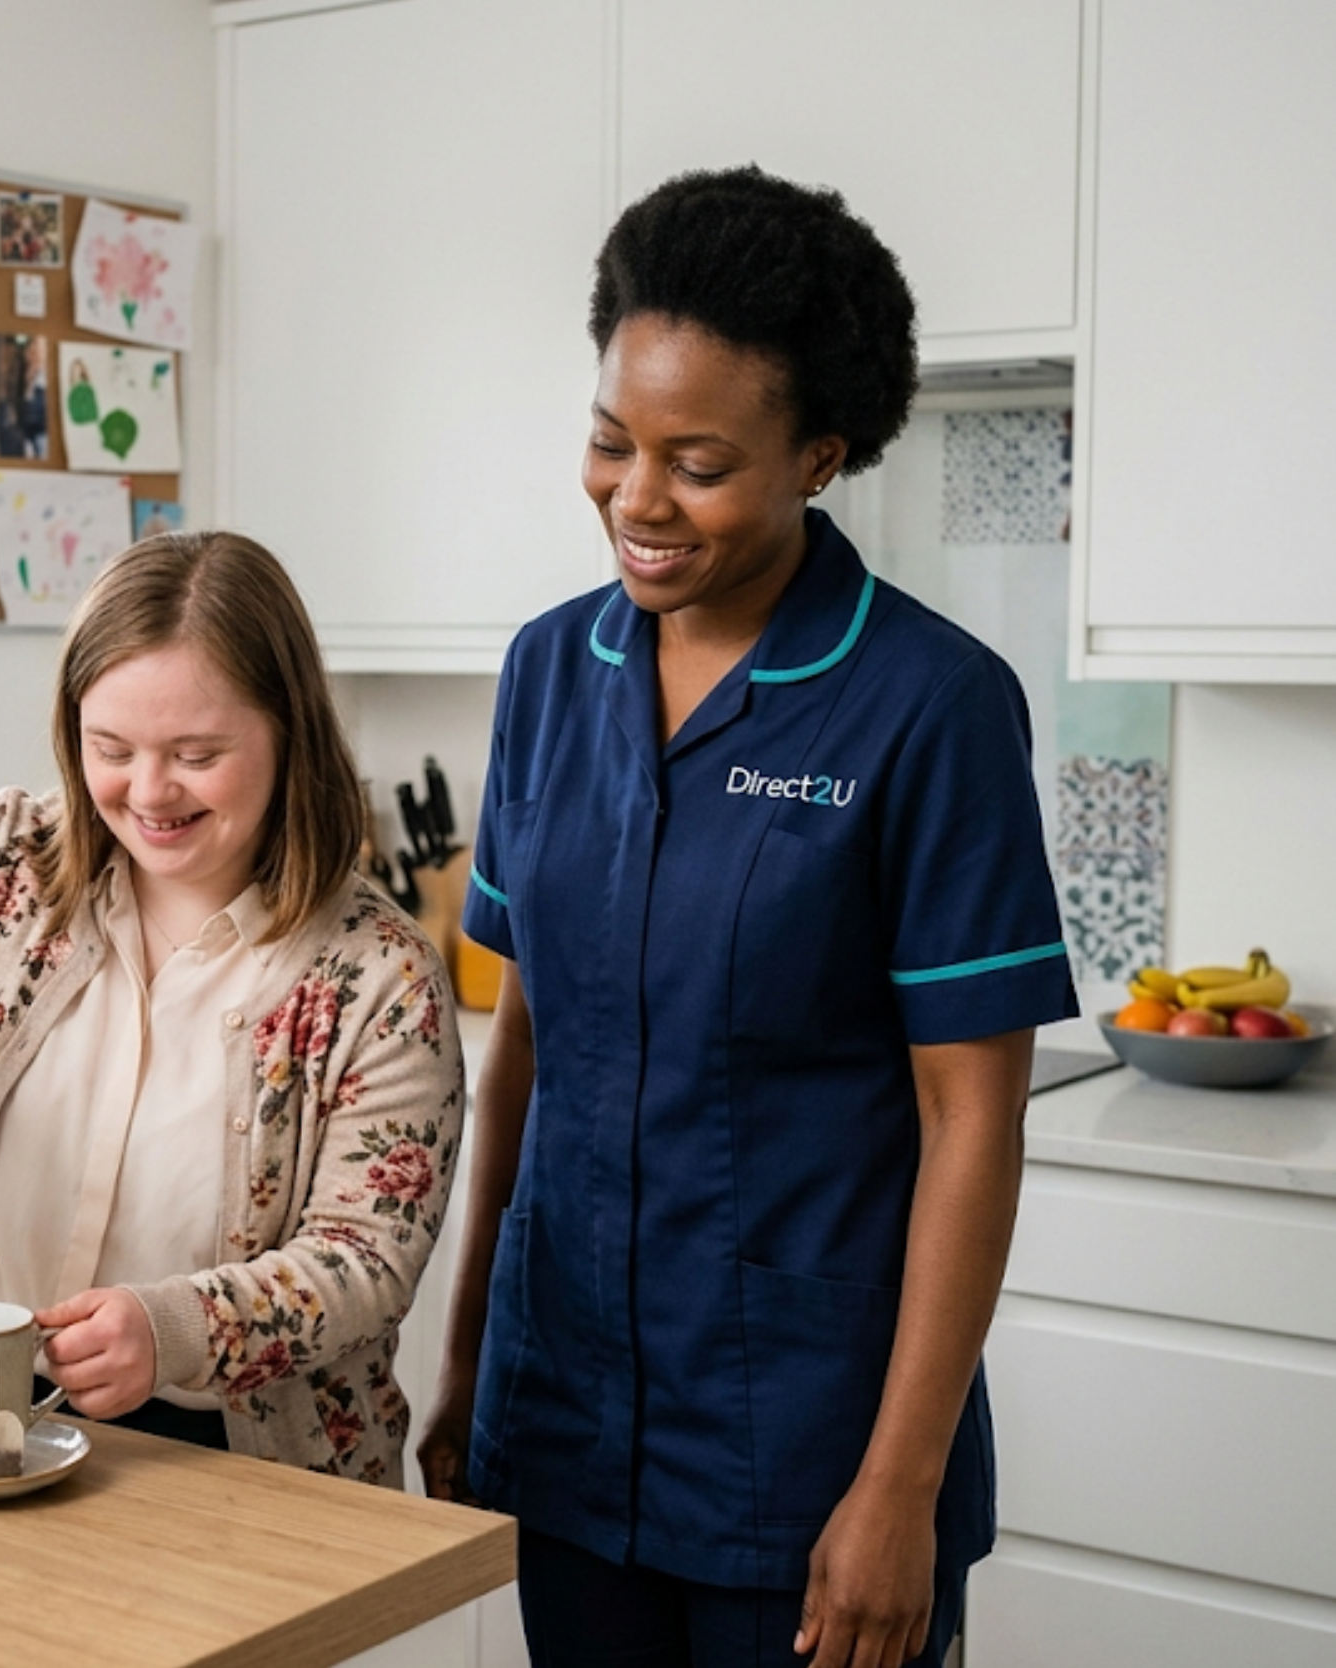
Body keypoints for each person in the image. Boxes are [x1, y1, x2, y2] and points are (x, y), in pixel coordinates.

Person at [416, 166, 1077, 1668]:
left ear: (819, 455)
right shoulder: (545, 675)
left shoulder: (930, 706)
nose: (637, 500)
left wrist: (898, 1491)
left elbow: (972, 1118)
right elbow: (526, 1041)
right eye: (608, 443)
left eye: (698, 463)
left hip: (814, 1445)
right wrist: (466, 1369)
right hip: (565, 1418)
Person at [0, 531, 464, 1485]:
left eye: (197, 753)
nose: (148, 791)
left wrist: (175, 1329)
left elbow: (365, 1259)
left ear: (289, 734)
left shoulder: (381, 979)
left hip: (241, 1466)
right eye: (112, 749)